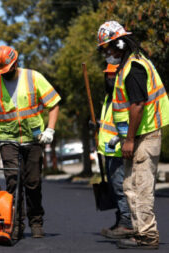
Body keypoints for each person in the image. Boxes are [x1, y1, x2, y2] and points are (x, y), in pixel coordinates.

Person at [97, 21, 169, 249]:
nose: (106, 53)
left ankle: (148, 237)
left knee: (141, 186)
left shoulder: (134, 68)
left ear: (118, 44)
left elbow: (137, 104)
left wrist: (128, 140)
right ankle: (139, 233)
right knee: (130, 185)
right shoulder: (126, 66)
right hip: (135, 137)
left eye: (107, 48)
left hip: (144, 137)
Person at [0, 45, 60, 240]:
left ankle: (36, 222)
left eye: (7, 69)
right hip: (8, 140)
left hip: (33, 139)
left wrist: (50, 129)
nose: (4, 74)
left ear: (15, 64)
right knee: (13, 183)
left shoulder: (33, 78)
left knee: (33, 183)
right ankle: (15, 224)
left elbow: (54, 103)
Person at [97, 64, 133, 239]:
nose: (110, 80)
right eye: (108, 77)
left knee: (120, 187)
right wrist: (98, 124)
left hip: (119, 149)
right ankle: (120, 220)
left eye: (113, 77)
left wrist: (120, 138)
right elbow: (110, 122)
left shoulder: (122, 96)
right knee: (114, 188)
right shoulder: (108, 97)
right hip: (108, 149)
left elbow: (125, 120)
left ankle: (127, 223)